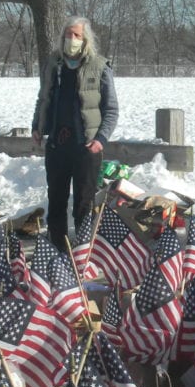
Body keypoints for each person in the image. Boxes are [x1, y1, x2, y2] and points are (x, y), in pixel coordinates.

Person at [32, 17, 118, 252]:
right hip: (57, 146)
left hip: (86, 147)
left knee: (83, 204)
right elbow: (43, 99)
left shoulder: (99, 66)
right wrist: (37, 127)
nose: (71, 39)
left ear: (85, 39)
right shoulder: (54, 64)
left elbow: (111, 109)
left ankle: (82, 254)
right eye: (68, 35)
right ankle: (56, 251)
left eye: (77, 35)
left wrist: (100, 140)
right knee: (56, 201)